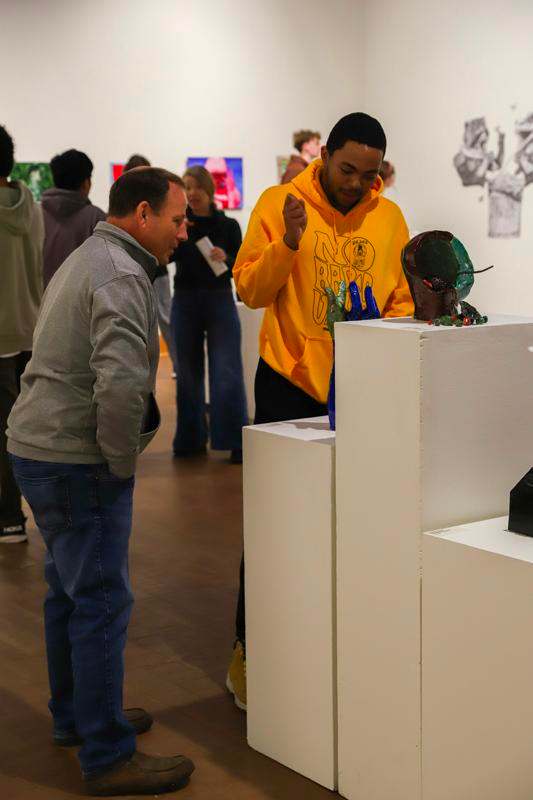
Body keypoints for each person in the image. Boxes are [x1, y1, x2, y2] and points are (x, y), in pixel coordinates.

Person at [7, 168, 195, 796]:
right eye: (176, 218)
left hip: (39, 446)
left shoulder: (95, 253)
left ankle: (82, 720)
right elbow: (118, 382)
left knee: (69, 594)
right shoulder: (120, 272)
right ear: (142, 214)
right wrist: (119, 465)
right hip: (74, 459)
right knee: (101, 602)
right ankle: (108, 755)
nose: (183, 229)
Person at [227, 112, 414, 710]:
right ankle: (249, 652)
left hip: (361, 389)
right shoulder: (281, 202)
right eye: (346, 169)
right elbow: (249, 290)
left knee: (350, 520)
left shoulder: (389, 219)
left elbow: (403, 302)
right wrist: (287, 242)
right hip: (287, 384)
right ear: (324, 157)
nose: (356, 183)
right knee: (273, 523)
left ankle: (328, 646)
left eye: (368, 173)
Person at [171, 165, 247, 463]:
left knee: (226, 369)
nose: (192, 193)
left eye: (197, 187)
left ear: (209, 190)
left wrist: (226, 257)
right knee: (187, 373)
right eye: (187, 188)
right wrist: (179, 232)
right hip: (186, 299)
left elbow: (242, 262)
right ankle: (190, 439)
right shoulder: (182, 226)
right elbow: (167, 255)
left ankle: (234, 440)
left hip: (219, 299)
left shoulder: (228, 226)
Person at [0, 124, 44, 544]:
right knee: (21, 428)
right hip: (27, 330)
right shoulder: (30, 206)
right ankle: (26, 512)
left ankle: (9, 516)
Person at [122, 154, 178, 374]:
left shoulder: (159, 201)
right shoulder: (126, 205)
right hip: (132, 270)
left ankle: (177, 365)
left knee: (165, 317)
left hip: (157, 271)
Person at [41, 148, 106, 288]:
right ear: (86, 183)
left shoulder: (36, 214)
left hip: (40, 304)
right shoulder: (96, 218)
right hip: (80, 306)